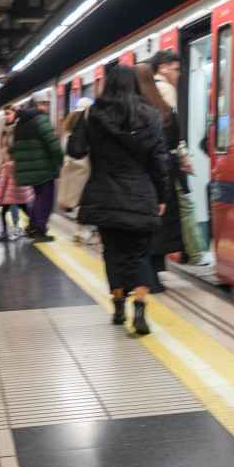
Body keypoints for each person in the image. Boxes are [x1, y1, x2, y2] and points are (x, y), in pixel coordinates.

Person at [69, 63, 169, 336]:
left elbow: (75, 151)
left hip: (104, 194)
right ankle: (140, 308)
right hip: (141, 193)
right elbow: (160, 162)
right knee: (139, 254)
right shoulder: (151, 116)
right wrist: (161, 196)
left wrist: (81, 120)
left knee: (112, 253)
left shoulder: (94, 115)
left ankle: (117, 305)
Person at [151, 49, 209, 265]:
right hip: (168, 161)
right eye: (175, 70)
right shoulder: (165, 89)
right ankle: (195, 254)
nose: (178, 75)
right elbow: (171, 129)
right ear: (162, 67)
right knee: (185, 206)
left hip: (161, 159)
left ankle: (184, 251)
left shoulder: (150, 88)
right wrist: (183, 156)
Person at [136, 62, 184, 291]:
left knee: (145, 229)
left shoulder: (136, 111)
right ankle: (156, 272)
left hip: (143, 176)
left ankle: (150, 280)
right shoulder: (165, 109)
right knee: (160, 225)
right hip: (165, 173)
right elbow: (175, 141)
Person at [11, 97, 63, 242]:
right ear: (36, 106)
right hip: (44, 168)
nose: (46, 107)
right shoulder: (41, 120)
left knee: (38, 198)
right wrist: (60, 160)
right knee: (45, 199)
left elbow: (14, 148)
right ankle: (39, 230)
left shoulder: (20, 123)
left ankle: (33, 227)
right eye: (44, 104)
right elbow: (53, 144)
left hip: (30, 170)